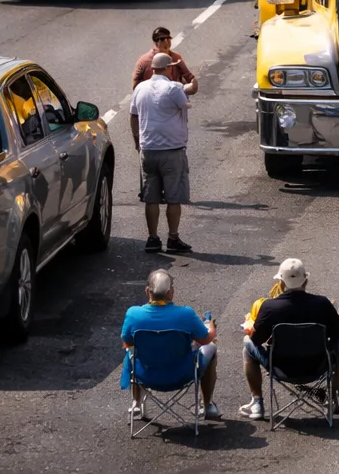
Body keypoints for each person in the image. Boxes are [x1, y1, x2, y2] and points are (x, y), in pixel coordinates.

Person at [238, 259, 339, 419]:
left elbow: (255, 340)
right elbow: (338, 333)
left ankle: (257, 402)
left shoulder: (269, 307)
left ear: (281, 283)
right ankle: (334, 397)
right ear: (306, 281)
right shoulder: (322, 304)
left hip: (280, 367)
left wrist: (253, 328)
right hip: (318, 365)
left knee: (247, 344)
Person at [121, 270, 220, 420]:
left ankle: (136, 403)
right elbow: (205, 340)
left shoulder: (133, 314)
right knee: (211, 347)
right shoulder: (186, 314)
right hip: (181, 374)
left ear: (147, 291)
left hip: (146, 375)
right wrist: (211, 326)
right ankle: (207, 405)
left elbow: (127, 342)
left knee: (132, 352)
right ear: (171, 292)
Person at [129, 52, 194, 254]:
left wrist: (137, 141)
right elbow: (186, 102)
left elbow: (133, 116)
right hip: (172, 151)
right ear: (168, 68)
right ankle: (173, 239)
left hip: (148, 150)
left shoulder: (140, 88)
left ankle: (152, 238)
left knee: (151, 197)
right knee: (173, 197)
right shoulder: (173, 88)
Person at [133, 27, 198, 95]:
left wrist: (185, 71)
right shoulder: (144, 61)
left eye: (168, 38)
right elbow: (136, 87)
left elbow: (190, 83)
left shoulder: (176, 58)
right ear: (156, 42)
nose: (166, 42)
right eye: (162, 39)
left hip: (173, 98)